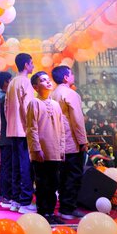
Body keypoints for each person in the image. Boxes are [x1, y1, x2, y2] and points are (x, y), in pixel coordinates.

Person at [27, 71, 66, 224]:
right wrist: (36, 149)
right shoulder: (34, 103)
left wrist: (62, 149)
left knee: (53, 183)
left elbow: (62, 129)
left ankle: (50, 212)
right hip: (41, 152)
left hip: (55, 151)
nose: (48, 82)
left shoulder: (56, 105)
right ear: (36, 87)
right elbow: (31, 128)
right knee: (42, 183)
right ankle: (42, 212)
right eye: (43, 80)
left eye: (48, 79)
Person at [50, 65, 88, 220]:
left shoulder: (53, 94)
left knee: (63, 176)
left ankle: (63, 206)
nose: (73, 76)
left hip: (58, 141)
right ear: (66, 77)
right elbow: (77, 120)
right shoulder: (70, 94)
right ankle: (68, 208)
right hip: (72, 141)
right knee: (73, 176)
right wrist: (83, 140)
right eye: (71, 74)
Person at [5, 53, 36, 213]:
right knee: (25, 166)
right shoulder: (26, 82)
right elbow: (28, 108)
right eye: (32, 63)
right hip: (24, 129)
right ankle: (25, 201)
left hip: (13, 129)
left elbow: (6, 108)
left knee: (16, 165)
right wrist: (31, 127)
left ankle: (16, 199)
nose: (33, 66)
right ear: (26, 65)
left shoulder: (12, 83)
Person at [0, 71, 13, 209]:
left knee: (3, 167)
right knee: (7, 167)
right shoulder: (5, 98)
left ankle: (3, 193)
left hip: (2, 137)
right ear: (6, 82)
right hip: (8, 137)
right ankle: (6, 195)